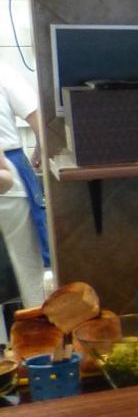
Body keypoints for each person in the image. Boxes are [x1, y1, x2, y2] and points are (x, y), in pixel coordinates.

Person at [0, 60, 48, 309]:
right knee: (28, 264)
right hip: (8, 173)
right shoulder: (3, 71)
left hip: (7, 172)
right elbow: (39, 121)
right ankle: (37, 324)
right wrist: (41, 149)